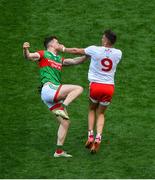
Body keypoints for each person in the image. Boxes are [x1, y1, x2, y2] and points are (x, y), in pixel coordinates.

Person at [23, 36, 87, 157]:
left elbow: (74, 61)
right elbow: (29, 56)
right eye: (57, 42)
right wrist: (25, 50)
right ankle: (63, 107)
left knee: (65, 123)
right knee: (78, 88)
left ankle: (58, 151)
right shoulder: (43, 54)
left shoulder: (58, 58)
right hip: (49, 89)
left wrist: (87, 55)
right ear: (51, 44)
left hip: (50, 93)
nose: (60, 44)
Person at [60, 30, 122, 153]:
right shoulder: (119, 53)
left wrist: (62, 48)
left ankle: (90, 135)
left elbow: (76, 51)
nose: (101, 39)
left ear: (106, 40)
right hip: (109, 88)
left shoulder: (95, 49)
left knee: (92, 109)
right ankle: (98, 138)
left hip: (95, 86)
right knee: (101, 113)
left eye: (103, 37)